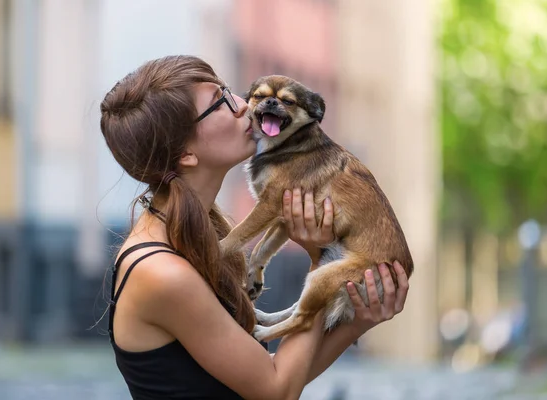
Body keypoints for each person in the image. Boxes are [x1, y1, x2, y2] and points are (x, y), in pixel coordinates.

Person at [99, 55, 410, 400]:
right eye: (219, 103)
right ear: (185, 153)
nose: (243, 105)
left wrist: (359, 319)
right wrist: (322, 257)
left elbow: (274, 372)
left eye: (230, 91)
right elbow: (275, 390)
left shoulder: (206, 233)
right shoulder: (162, 272)